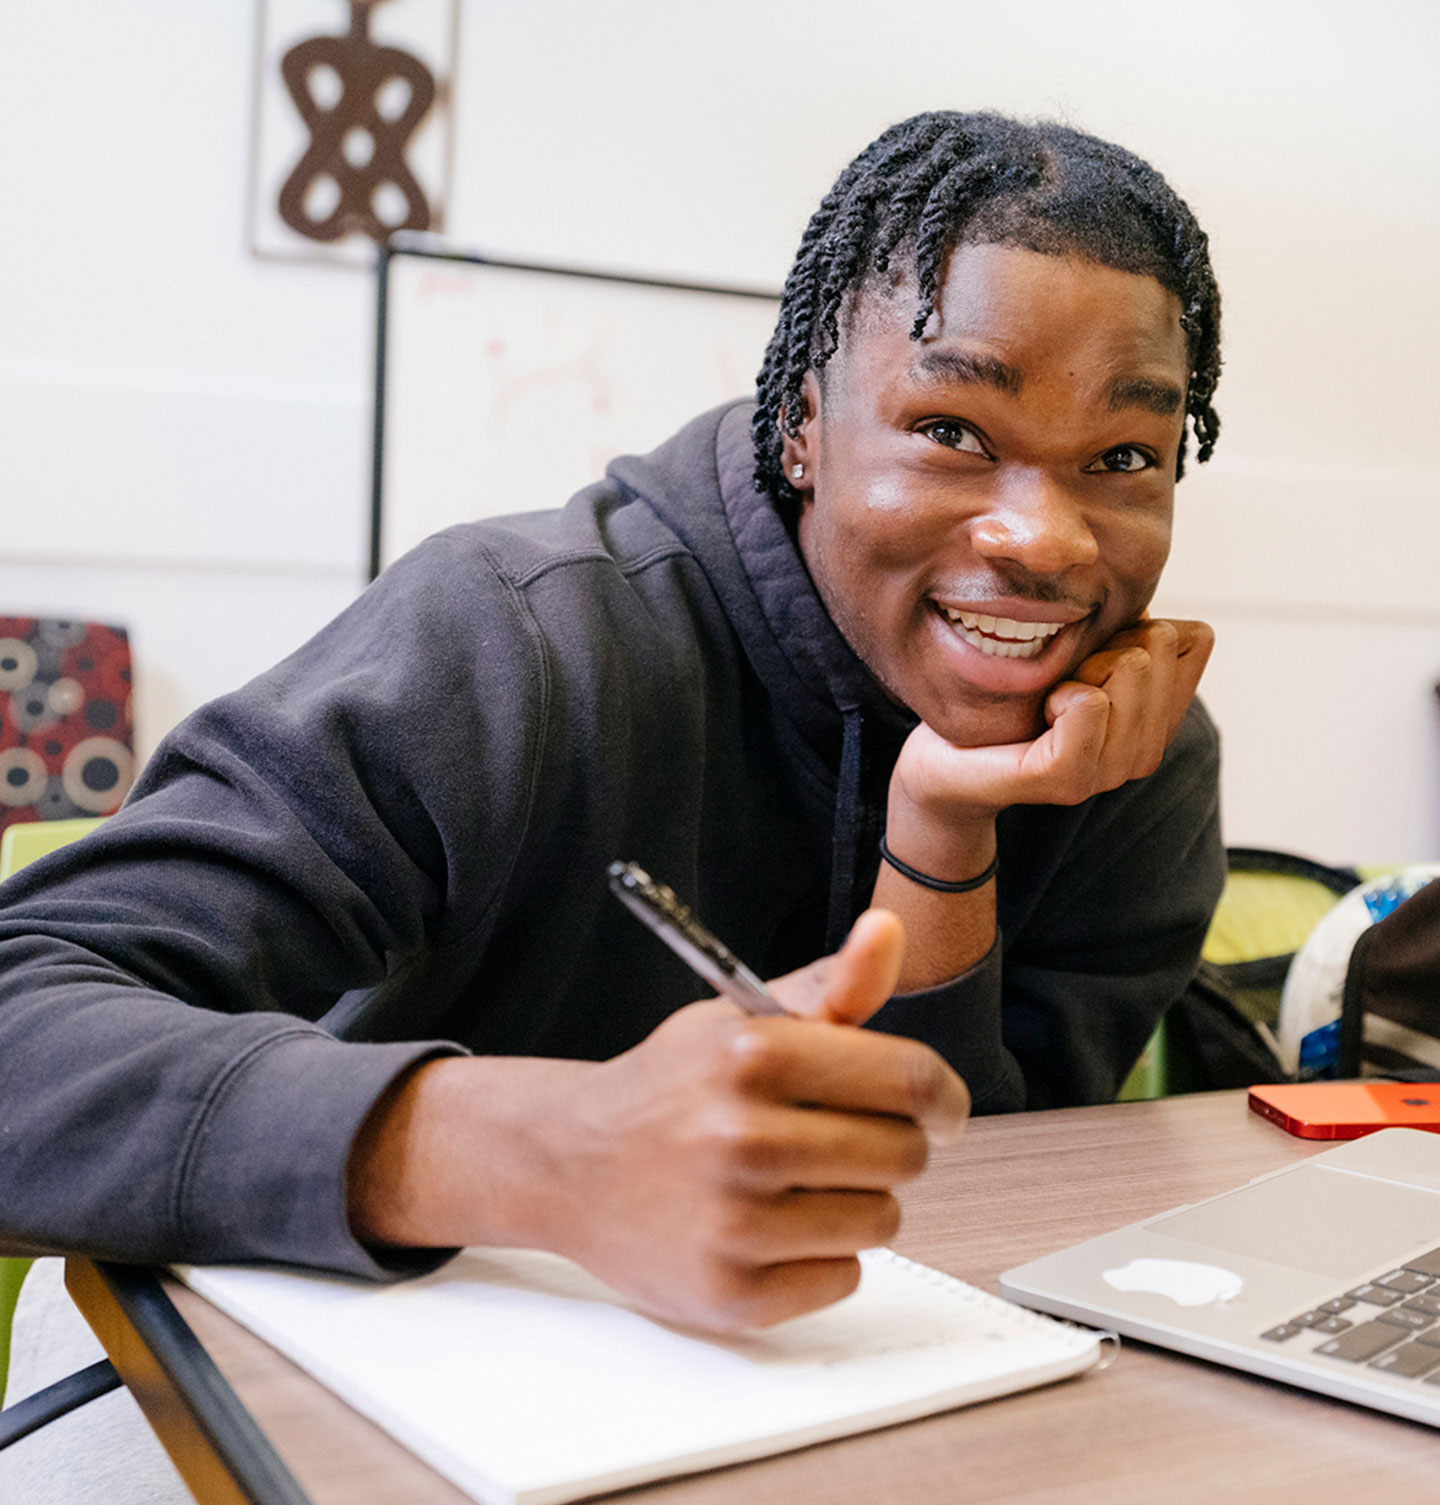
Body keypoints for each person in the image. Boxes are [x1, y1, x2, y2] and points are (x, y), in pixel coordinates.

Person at [0, 111, 1225, 1361]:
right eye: (953, 432)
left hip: (803, 1403)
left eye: (1123, 455)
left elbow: (962, 1215)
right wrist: (543, 1151)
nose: (1051, 540)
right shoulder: (513, 636)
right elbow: (20, 1026)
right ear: (801, 425)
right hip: (291, 1371)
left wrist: (944, 831)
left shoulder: (1135, 755)